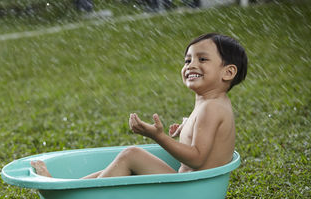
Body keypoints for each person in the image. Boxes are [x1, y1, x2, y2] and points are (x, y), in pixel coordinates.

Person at [31, 33, 248, 178]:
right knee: (124, 161)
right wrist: (187, 126)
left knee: (132, 155)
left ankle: (78, 194)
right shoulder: (212, 102)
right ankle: (73, 187)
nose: (191, 65)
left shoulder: (211, 107)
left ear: (228, 72)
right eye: (187, 60)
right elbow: (205, 140)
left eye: (202, 59)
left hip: (191, 191)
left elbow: (198, 158)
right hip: (196, 188)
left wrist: (158, 136)